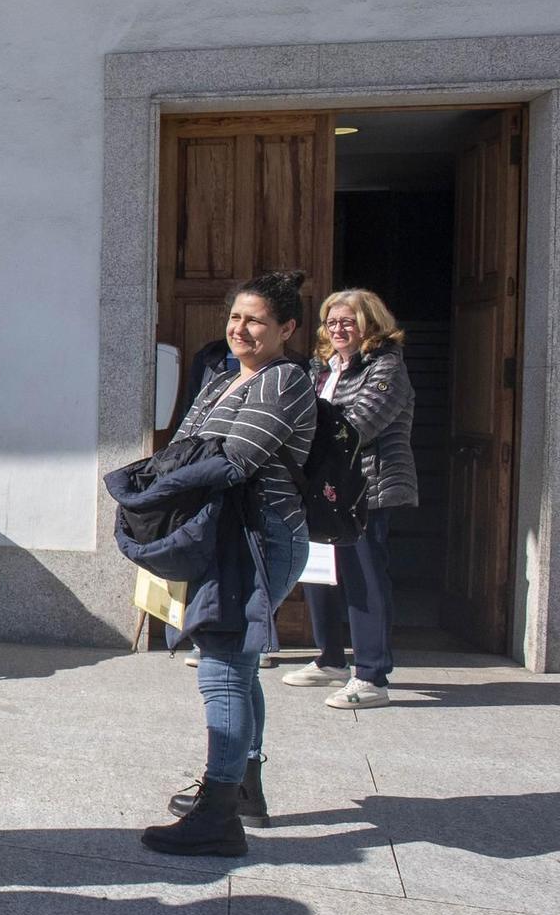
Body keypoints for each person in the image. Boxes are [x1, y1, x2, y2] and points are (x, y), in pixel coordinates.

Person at [144, 270, 317, 857]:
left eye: (256, 321)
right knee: (237, 665)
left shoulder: (285, 379)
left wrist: (145, 488)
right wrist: (165, 475)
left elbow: (235, 458)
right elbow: (185, 445)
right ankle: (243, 790)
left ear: (287, 328)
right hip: (224, 535)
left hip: (261, 538)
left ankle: (218, 816)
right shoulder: (222, 376)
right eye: (235, 318)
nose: (240, 330)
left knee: (220, 663)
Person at [282, 290, 418, 710]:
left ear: (369, 324)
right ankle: (330, 659)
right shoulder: (322, 367)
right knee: (320, 571)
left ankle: (371, 675)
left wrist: (304, 439)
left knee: (364, 576)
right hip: (323, 484)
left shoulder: (386, 366)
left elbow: (361, 422)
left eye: (348, 321)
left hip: (368, 486)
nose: (338, 329)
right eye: (331, 322)